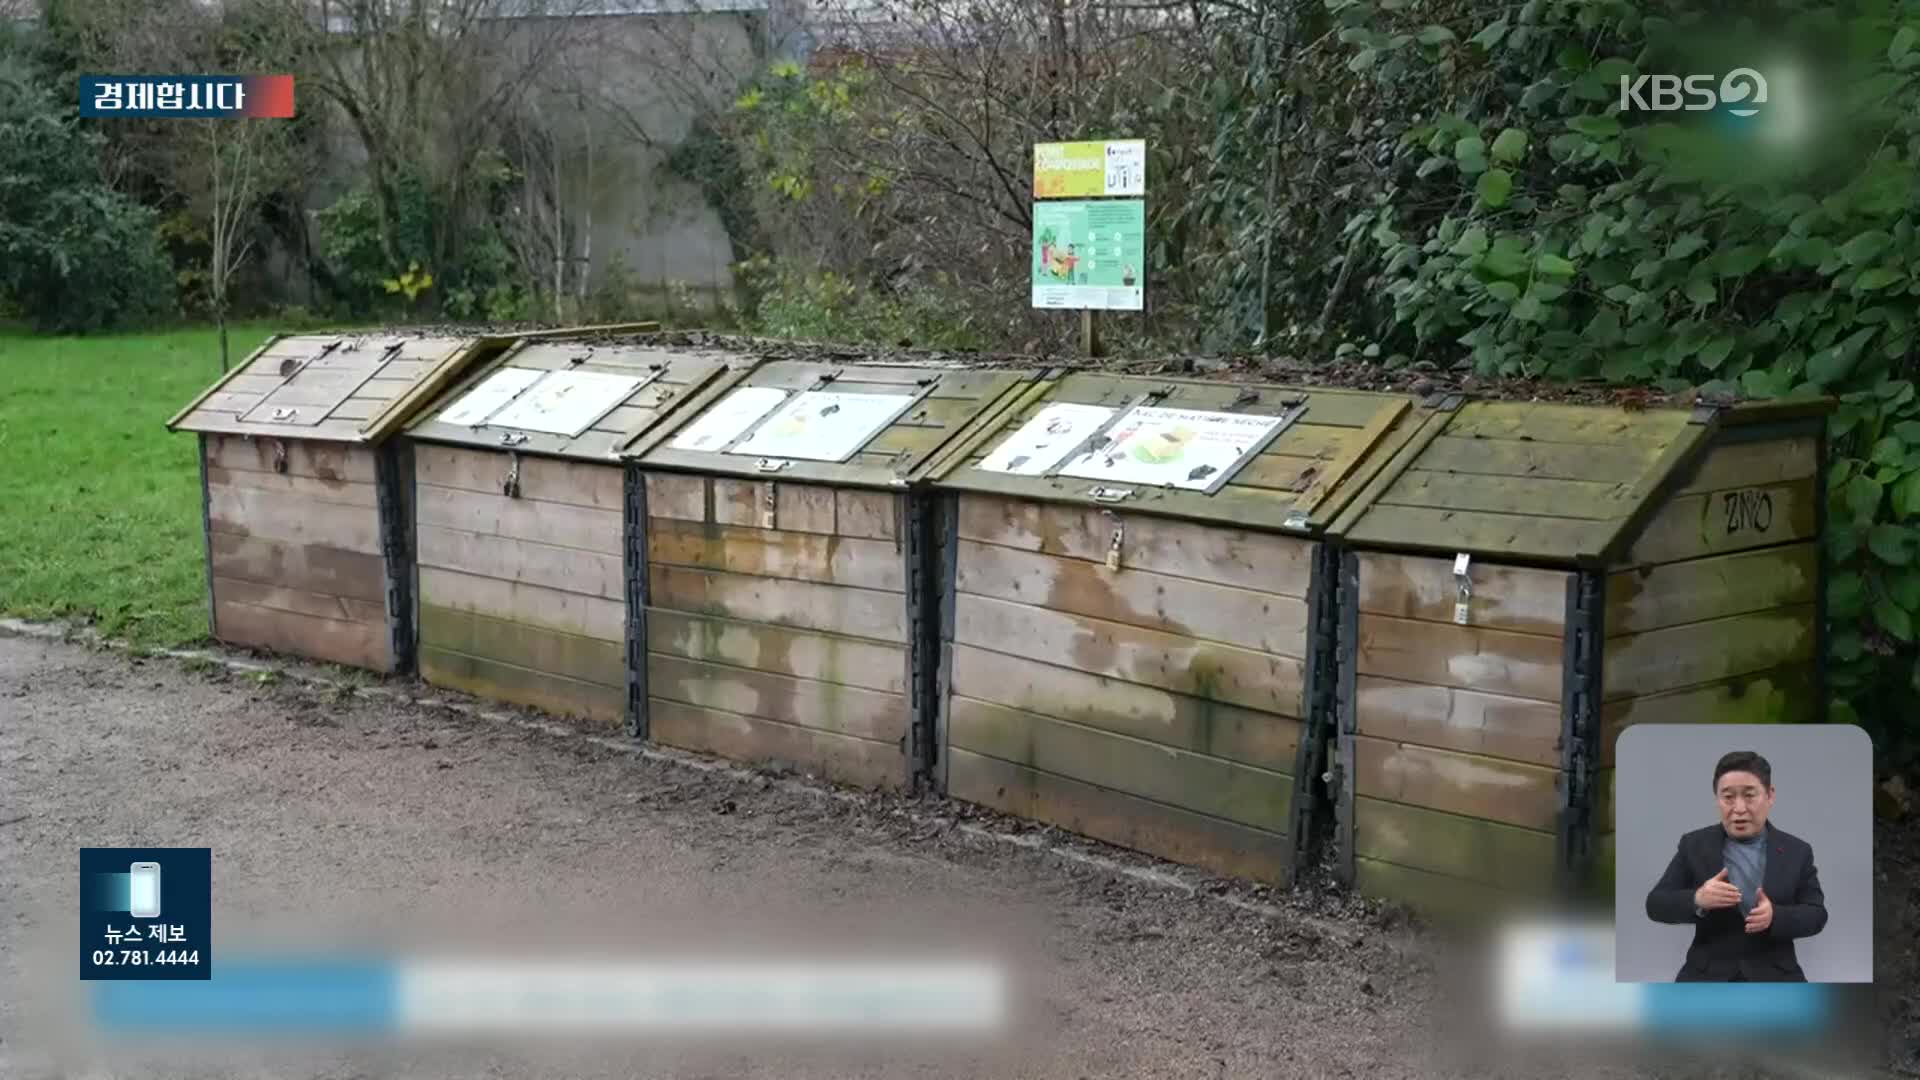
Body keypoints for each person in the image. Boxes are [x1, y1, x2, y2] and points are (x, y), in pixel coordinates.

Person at [1644, 750, 1828, 981]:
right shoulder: (1694, 845)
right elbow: (1655, 903)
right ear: (1717, 799)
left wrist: (1775, 917)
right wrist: (1698, 899)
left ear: (1770, 795)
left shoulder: (1797, 851)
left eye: (1749, 795)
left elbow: (1817, 914)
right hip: (1707, 976)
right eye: (1728, 797)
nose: (1739, 808)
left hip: (1776, 975)